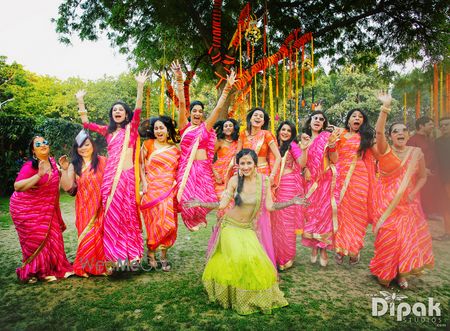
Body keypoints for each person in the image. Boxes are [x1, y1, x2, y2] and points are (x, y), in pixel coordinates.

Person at [185, 149, 307, 315]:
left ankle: (254, 297)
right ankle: (235, 297)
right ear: (238, 165)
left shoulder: (264, 181)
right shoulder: (234, 181)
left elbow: (270, 207)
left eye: (249, 162)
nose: (245, 166)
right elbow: (222, 205)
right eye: (242, 163)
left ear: (255, 164)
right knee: (239, 259)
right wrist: (200, 202)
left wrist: (292, 201)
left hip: (247, 229)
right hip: (230, 226)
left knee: (258, 262)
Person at [77, 70, 150, 266]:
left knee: (129, 214)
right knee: (111, 215)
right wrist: (80, 101)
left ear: (126, 114)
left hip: (127, 178)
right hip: (111, 179)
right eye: (114, 110)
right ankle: (114, 255)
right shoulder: (107, 131)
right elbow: (85, 123)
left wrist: (140, 86)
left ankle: (133, 255)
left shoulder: (132, 129)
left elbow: (138, 110)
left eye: (121, 110)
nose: (117, 112)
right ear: (112, 114)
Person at [370, 92, 434, 289]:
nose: (400, 133)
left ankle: (402, 273)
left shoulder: (416, 153)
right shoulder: (385, 152)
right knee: (389, 238)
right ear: (390, 136)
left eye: (403, 130)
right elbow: (378, 132)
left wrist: (415, 191)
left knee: (405, 239)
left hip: (408, 205)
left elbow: (422, 177)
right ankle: (385, 270)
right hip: (386, 204)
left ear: (408, 134)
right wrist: (385, 108)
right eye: (395, 131)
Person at [173, 60, 236, 231]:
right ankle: (190, 220)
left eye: (200, 111)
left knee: (208, 199)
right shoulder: (184, 128)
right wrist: (179, 81)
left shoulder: (205, 127)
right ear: (190, 113)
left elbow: (217, 109)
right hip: (187, 168)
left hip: (203, 168)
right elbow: (181, 103)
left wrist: (227, 88)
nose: (197, 113)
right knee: (185, 198)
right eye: (195, 111)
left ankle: (199, 216)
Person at [10, 136, 73, 283]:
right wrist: (39, 175)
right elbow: (17, 186)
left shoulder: (52, 162)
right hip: (26, 208)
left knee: (53, 237)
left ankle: (52, 267)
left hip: (47, 209)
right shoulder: (30, 166)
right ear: (33, 150)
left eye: (45, 142)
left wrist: (63, 169)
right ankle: (34, 272)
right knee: (37, 238)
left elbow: (61, 187)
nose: (43, 145)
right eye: (38, 144)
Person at [59, 131, 107, 277]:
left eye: (87, 144)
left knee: (100, 236)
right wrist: (65, 169)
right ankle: (84, 267)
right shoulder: (74, 165)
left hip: (102, 206)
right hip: (84, 207)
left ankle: (100, 267)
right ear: (76, 149)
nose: (84, 148)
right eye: (80, 146)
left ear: (93, 145)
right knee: (86, 236)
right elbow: (68, 187)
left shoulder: (103, 161)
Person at [334, 109, 376, 265]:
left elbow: (376, 156)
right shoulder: (340, 135)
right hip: (340, 177)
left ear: (363, 121)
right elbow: (333, 155)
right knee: (342, 213)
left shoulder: (366, 138)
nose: (357, 118)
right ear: (349, 120)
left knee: (358, 215)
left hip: (359, 177)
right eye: (354, 116)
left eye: (360, 117)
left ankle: (354, 249)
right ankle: (340, 248)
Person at [299, 110, 341, 267]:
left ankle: (323, 249)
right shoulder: (304, 139)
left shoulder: (327, 137)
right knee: (311, 214)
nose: (317, 120)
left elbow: (335, 160)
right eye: (314, 118)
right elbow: (301, 164)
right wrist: (304, 170)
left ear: (324, 123)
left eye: (321, 119)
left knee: (324, 215)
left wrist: (332, 146)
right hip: (310, 183)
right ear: (310, 122)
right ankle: (314, 248)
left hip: (325, 181)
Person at [139, 115, 180, 271]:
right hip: (152, 189)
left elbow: (177, 171)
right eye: (156, 128)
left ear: (168, 130)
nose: (158, 131)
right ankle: (151, 253)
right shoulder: (148, 144)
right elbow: (141, 165)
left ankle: (163, 255)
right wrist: (145, 183)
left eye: (161, 127)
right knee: (154, 223)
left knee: (168, 224)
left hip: (169, 190)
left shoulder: (175, 150)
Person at [271, 121, 304, 271]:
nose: (285, 132)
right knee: (275, 223)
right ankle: (275, 256)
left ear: (292, 134)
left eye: (288, 131)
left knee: (286, 223)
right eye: (283, 129)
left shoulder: (293, 146)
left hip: (288, 186)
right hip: (274, 187)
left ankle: (286, 257)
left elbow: (302, 163)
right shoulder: (274, 146)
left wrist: (305, 147)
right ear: (278, 131)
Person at [407, 116, 442, 219]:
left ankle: (433, 212)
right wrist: (422, 169)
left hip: (433, 173)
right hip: (421, 174)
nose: (433, 126)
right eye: (430, 124)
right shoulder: (412, 140)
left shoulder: (430, 139)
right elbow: (410, 159)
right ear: (421, 126)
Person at [237, 107, 281, 184]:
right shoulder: (243, 134)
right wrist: (239, 169)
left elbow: (278, 157)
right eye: (255, 115)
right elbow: (237, 154)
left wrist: (272, 175)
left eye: (261, 116)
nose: (258, 117)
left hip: (262, 172)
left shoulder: (266, 134)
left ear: (263, 122)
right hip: (245, 171)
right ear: (250, 119)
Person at [212, 118, 239, 198]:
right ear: (223, 129)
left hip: (234, 172)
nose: (228, 127)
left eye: (230, 126)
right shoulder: (219, 141)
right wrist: (215, 174)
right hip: (219, 173)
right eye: (225, 126)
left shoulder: (238, 142)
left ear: (234, 128)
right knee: (221, 196)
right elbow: (209, 158)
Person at [434, 117, 450, 240]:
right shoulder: (437, 142)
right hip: (445, 179)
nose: (444, 127)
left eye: (447, 125)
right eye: (442, 125)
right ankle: (447, 233)